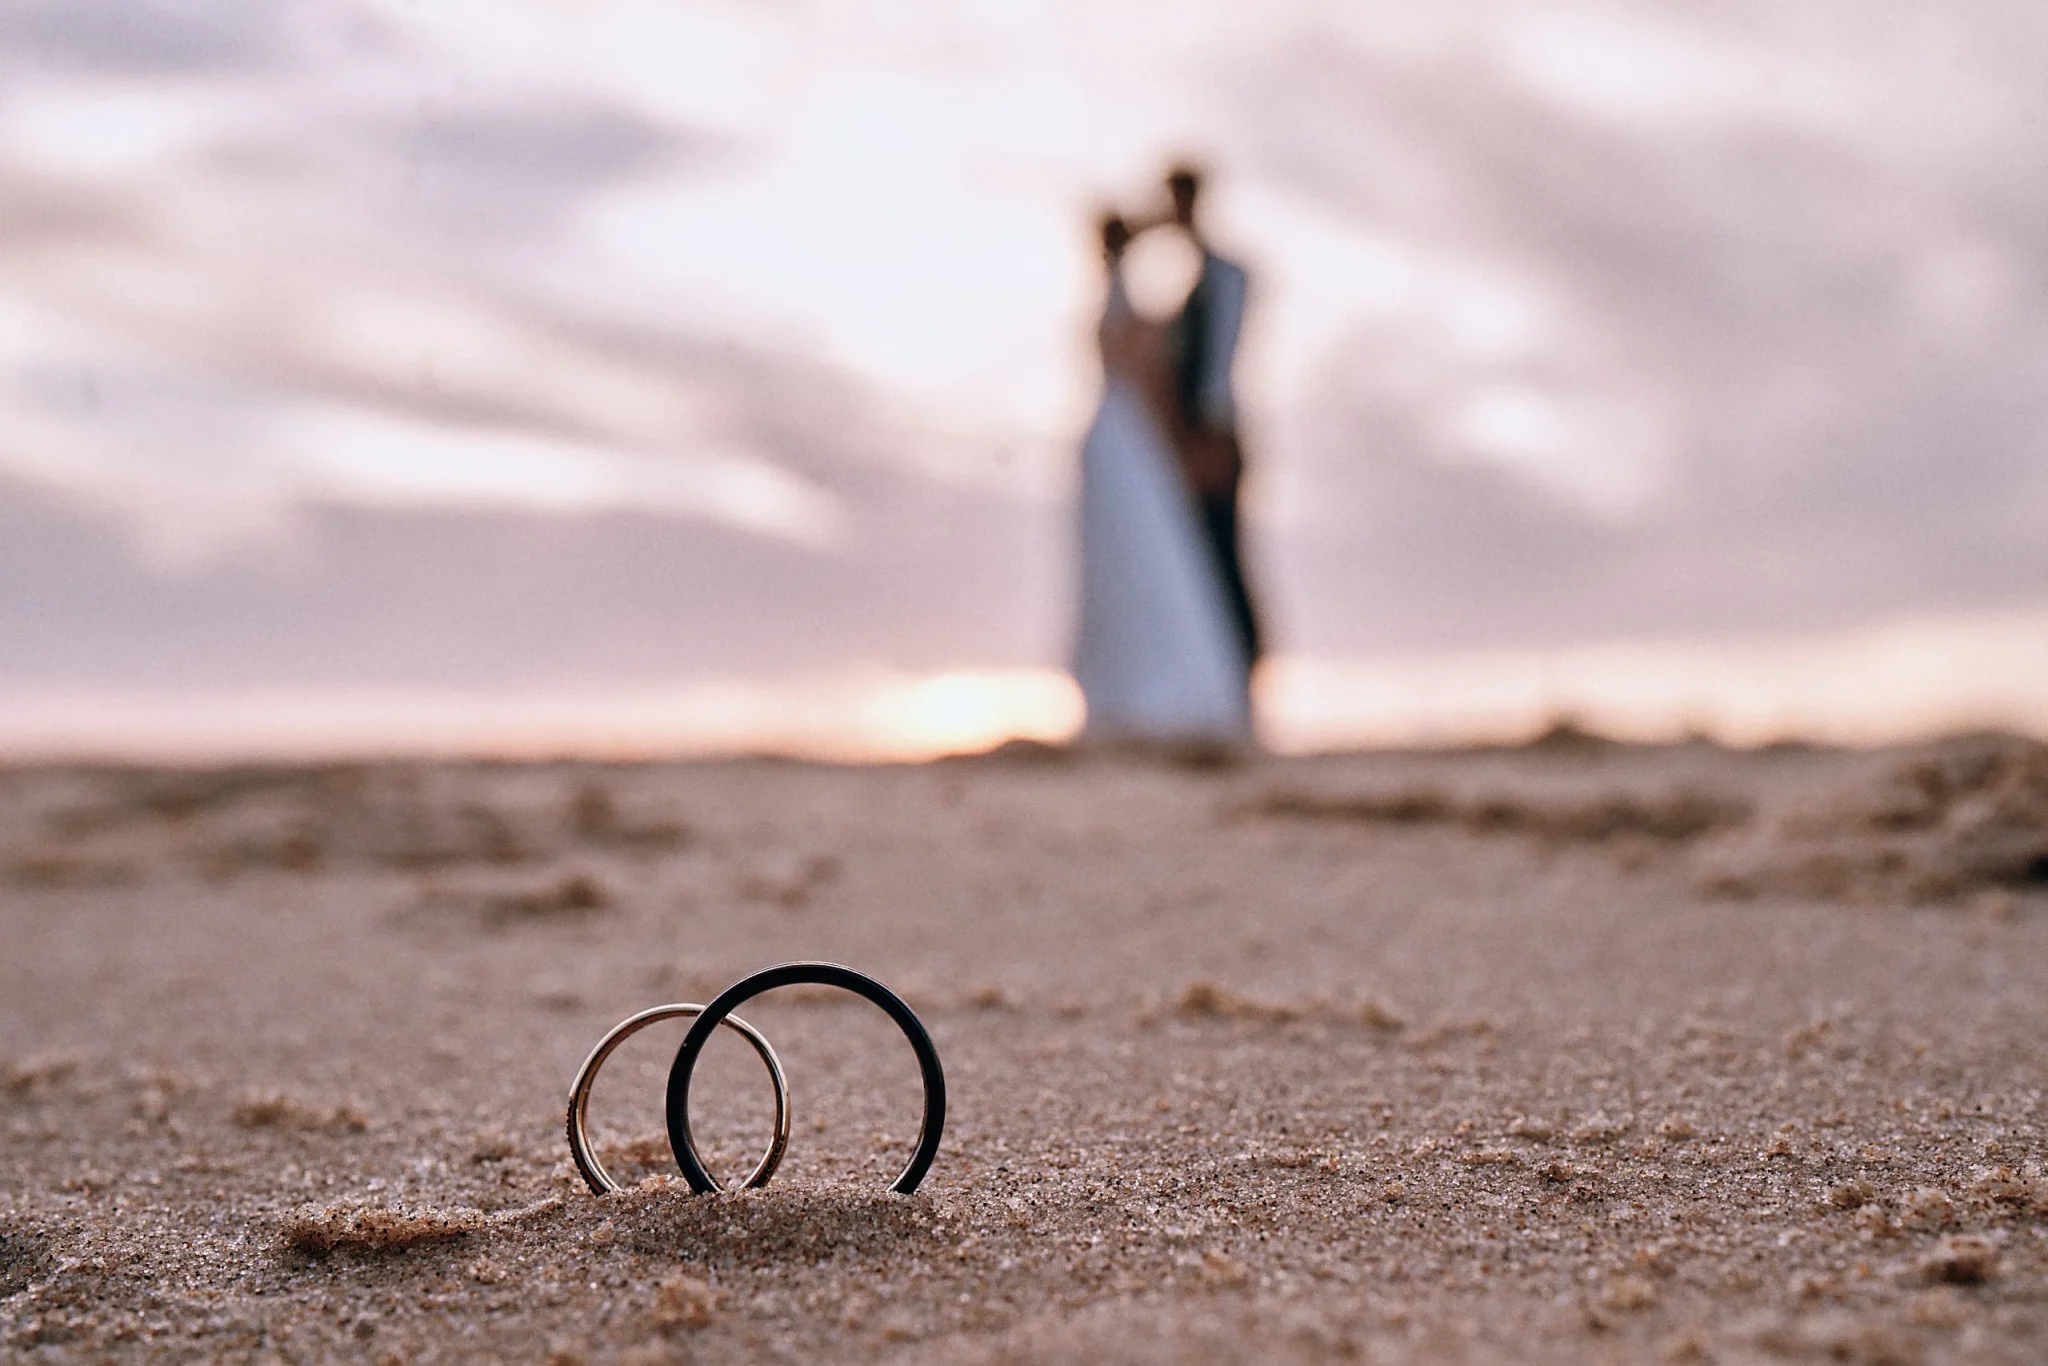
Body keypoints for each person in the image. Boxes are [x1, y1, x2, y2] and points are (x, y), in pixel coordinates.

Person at [1070, 211, 1252, 745]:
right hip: (1127, 448)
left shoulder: (1120, 308)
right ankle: (1134, 692)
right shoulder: (1134, 315)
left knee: (1139, 566)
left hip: (1113, 447)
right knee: (1134, 567)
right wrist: (1178, 446)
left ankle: (1137, 693)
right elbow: (1157, 395)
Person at [1157, 163, 1262, 691]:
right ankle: (1220, 683)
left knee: (1224, 558)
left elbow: (1216, 368)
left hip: (1212, 438)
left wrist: (1210, 434)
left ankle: (1243, 680)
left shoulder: (1222, 276)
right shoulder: (1197, 280)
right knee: (1200, 563)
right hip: (1193, 441)